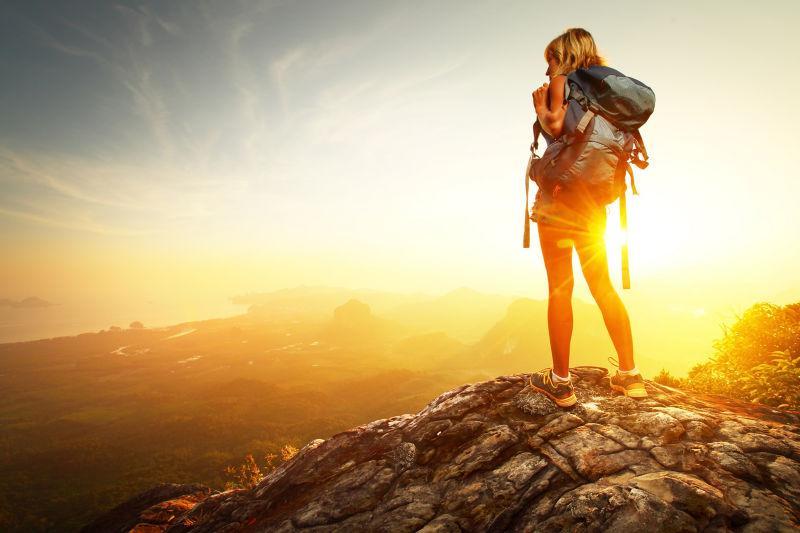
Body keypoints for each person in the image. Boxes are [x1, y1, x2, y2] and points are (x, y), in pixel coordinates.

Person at [526, 28, 647, 407]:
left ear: (563, 55)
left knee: (560, 288)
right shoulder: (609, 95)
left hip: (558, 204)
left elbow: (557, 128)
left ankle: (560, 382)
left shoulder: (565, 79)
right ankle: (630, 375)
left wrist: (541, 110)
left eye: (549, 61)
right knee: (602, 286)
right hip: (594, 205)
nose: (547, 72)